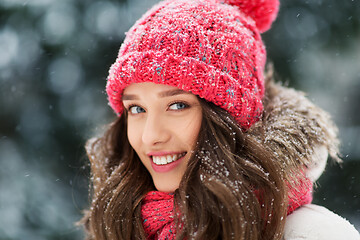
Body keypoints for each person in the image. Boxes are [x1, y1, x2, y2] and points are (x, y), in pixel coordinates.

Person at [80, 0, 360, 239]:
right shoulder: (121, 223)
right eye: (137, 109)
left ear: (231, 116)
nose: (150, 136)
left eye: (177, 105)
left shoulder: (309, 233)